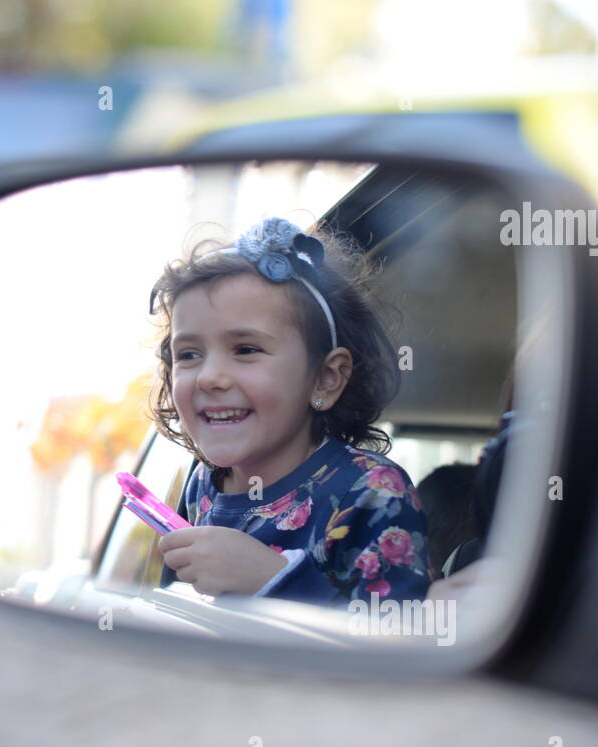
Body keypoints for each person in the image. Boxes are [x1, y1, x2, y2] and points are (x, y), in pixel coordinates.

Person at [146, 216, 430, 607]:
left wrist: (275, 581)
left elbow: (399, 648)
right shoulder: (203, 483)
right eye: (189, 354)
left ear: (326, 379)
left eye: (246, 349)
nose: (209, 377)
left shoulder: (372, 493)